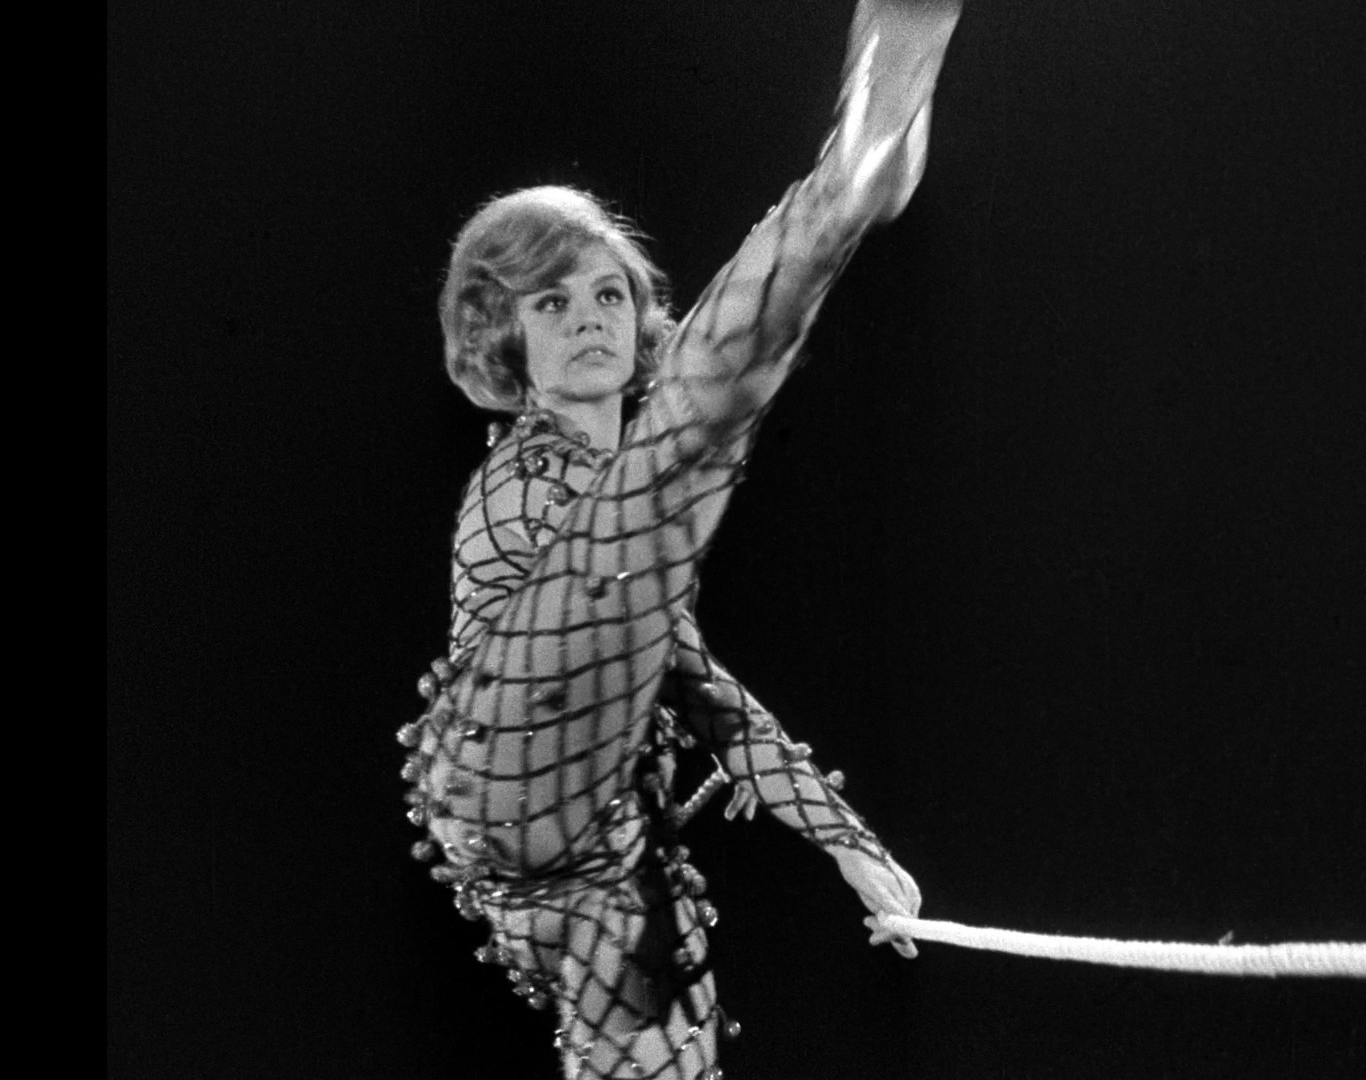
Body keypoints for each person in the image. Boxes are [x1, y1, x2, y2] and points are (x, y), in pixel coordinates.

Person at [397, 4, 962, 1076]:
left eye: (609, 292)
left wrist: (849, 847)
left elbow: (693, 681)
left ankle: (845, 195)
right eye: (550, 303)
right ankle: (840, 191)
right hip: (501, 758)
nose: (590, 316)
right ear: (504, 339)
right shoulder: (523, 482)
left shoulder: (628, 517)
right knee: (681, 451)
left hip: (586, 852)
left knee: (670, 1046)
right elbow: (664, 605)